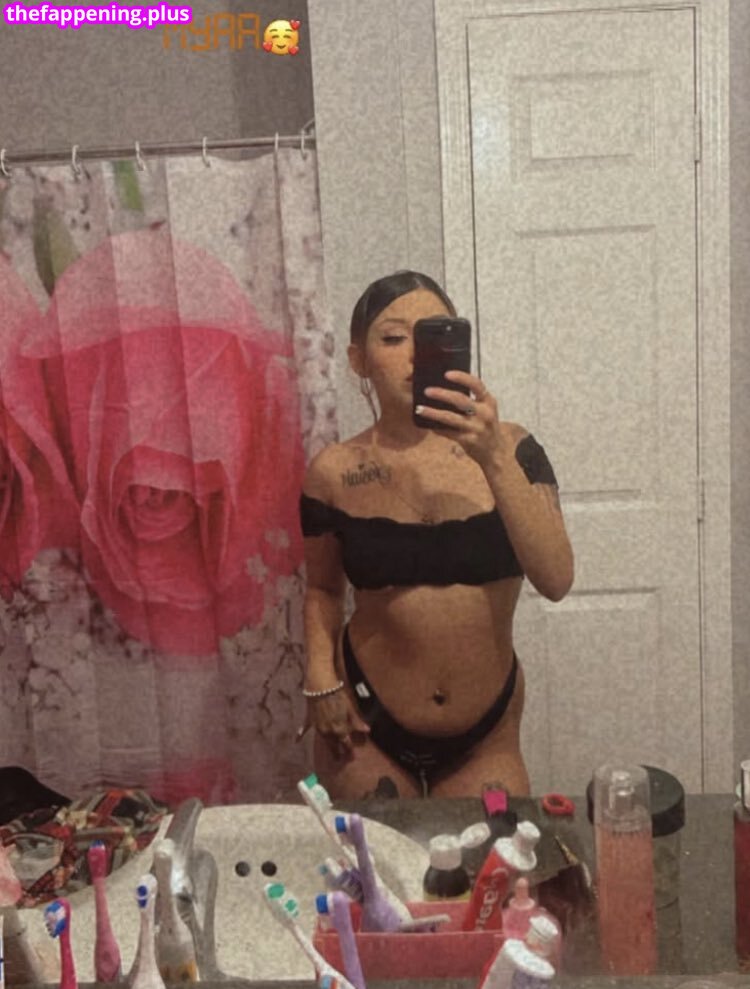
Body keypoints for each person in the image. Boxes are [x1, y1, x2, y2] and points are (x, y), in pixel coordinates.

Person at [298, 271, 573, 798]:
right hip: (364, 724)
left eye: (431, 336)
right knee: (368, 855)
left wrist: (491, 456)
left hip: (486, 736)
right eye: (393, 338)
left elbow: (557, 579)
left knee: (497, 855)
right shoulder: (333, 472)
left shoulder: (514, 449)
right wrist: (320, 679)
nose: (413, 356)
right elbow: (323, 589)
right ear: (358, 360)